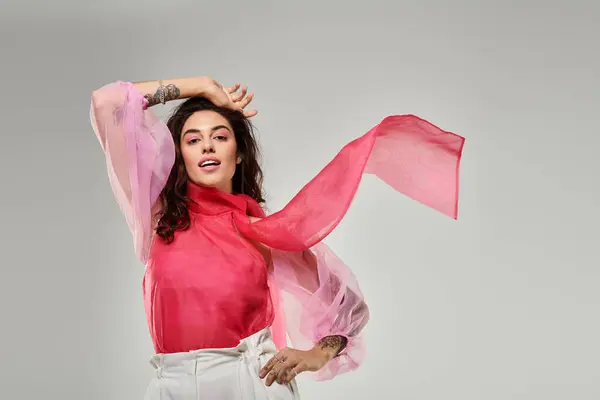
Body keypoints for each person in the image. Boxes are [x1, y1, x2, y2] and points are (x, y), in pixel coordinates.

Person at [89, 76, 465, 399]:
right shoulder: (159, 216)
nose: (207, 146)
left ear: (238, 156)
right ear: (180, 156)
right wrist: (203, 85)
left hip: (251, 383)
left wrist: (316, 354)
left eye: (220, 137)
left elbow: (349, 310)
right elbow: (106, 102)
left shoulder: (261, 232)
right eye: (192, 140)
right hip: (172, 385)